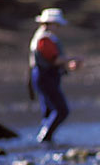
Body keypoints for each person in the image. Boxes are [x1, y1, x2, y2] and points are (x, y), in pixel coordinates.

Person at [28, 8, 83, 143]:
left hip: (45, 76)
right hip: (44, 77)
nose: (58, 28)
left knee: (49, 110)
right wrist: (70, 60)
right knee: (61, 110)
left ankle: (46, 140)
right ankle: (44, 137)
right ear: (48, 23)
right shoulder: (44, 39)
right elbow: (54, 59)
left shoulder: (44, 37)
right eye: (56, 24)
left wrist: (69, 65)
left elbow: (54, 61)